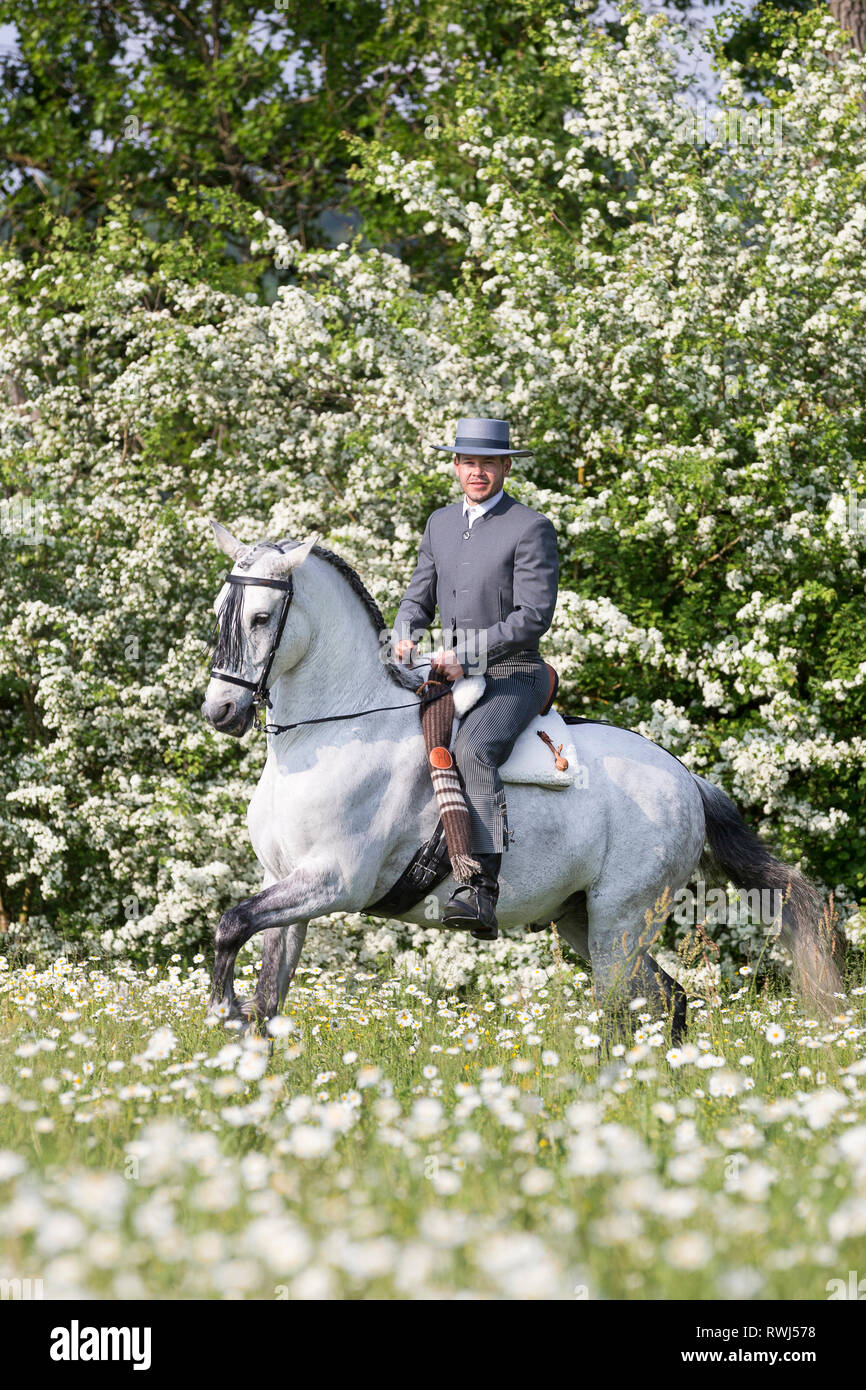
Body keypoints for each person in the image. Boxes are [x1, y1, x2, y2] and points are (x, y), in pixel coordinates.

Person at [393, 417, 559, 940]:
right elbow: (419, 595)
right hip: (446, 671)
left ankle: (480, 886)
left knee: (474, 749)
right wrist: (404, 632)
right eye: (469, 462)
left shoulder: (530, 527)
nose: (478, 472)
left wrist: (467, 653)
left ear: (506, 466)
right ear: (457, 466)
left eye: (489, 462)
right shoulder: (440, 523)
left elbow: (533, 615)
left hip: (514, 673)